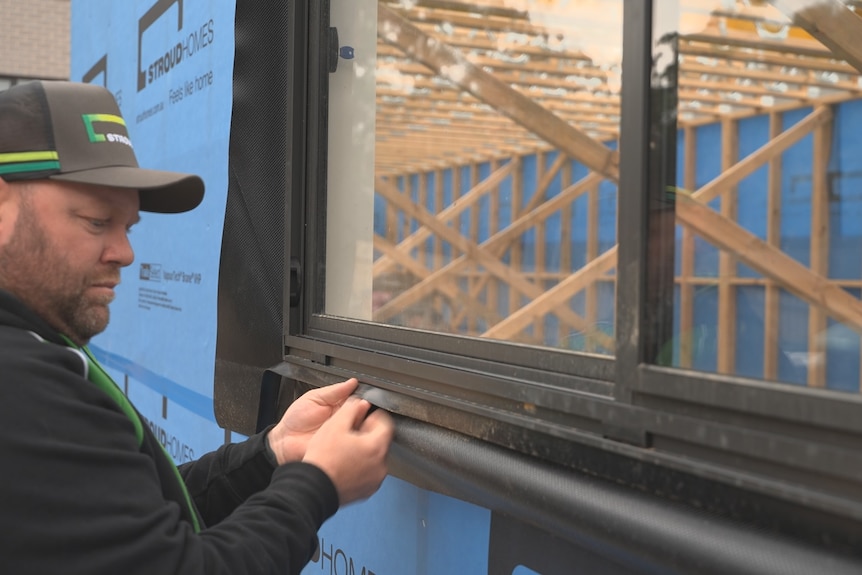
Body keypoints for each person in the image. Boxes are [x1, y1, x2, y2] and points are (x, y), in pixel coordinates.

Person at [0, 80, 394, 574]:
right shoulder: (19, 383)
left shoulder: (28, 350)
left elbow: (130, 523)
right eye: (97, 221)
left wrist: (271, 455)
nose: (125, 252)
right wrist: (318, 485)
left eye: (128, 227)